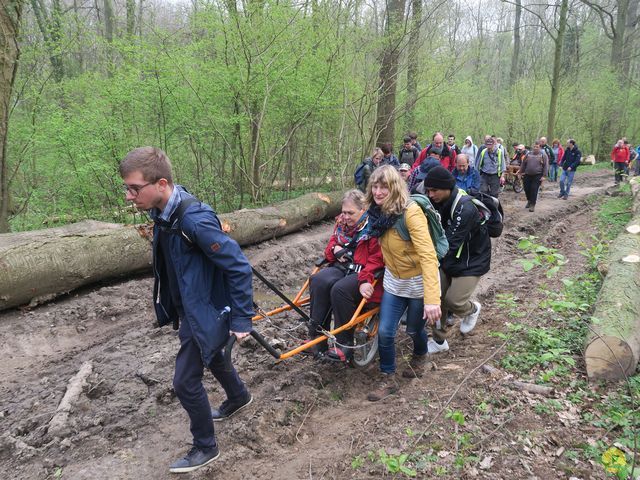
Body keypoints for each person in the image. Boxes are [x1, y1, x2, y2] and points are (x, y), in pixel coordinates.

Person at [119, 147, 254, 474]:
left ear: (161, 184)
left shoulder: (193, 219)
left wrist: (240, 319)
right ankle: (238, 396)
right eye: (126, 188)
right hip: (190, 307)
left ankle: (206, 447)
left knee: (184, 381)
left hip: (206, 310)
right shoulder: (164, 213)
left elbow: (239, 267)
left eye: (134, 188)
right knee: (215, 354)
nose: (128, 196)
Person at [365, 165, 441, 400]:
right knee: (386, 332)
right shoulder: (377, 214)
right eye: (375, 187)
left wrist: (432, 299)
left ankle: (420, 355)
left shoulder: (411, 213)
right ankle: (388, 378)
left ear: (395, 188)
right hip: (394, 281)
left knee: (415, 329)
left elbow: (428, 256)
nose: (378, 192)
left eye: (384, 187)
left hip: (418, 282)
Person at [307, 190, 383, 361]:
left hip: (364, 271)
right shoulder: (341, 224)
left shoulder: (374, 227)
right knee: (318, 281)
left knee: (339, 290)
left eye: (351, 213)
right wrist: (335, 249)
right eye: (344, 212)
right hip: (341, 266)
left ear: (363, 209)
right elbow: (330, 247)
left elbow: (377, 259)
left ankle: (344, 344)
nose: (346, 217)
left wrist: (365, 279)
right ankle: (316, 339)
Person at [424, 167, 490, 353]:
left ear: (447, 188)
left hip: (471, 261)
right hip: (450, 258)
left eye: (434, 190)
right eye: (428, 190)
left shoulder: (465, 208)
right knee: (436, 299)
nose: (431, 194)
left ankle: (472, 310)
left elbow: (449, 244)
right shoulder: (435, 200)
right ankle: (439, 341)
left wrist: (426, 261)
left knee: (453, 301)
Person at [519, 141, 549, 212]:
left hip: (537, 175)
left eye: (537, 147)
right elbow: (523, 164)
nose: (535, 148)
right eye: (534, 147)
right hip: (527, 174)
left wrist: (544, 175)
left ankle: (532, 204)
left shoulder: (543, 155)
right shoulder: (528, 154)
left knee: (534, 189)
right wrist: (520, 172)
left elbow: (546, 165)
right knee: (526, 189)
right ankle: (529, 200)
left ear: (540, 147)